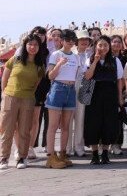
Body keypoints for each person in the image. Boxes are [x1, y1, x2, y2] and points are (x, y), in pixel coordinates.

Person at [0, 34, 45, 170]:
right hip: (10, 96)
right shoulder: (16, 59)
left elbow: (36, 84)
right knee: (6, 128)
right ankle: (3, 158)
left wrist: (28, 94)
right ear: (25, 45)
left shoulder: (39, 65)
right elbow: (5, 77)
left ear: (39, 47)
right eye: (30, 44)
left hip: (28, 99)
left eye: (35, 45)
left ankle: (22, 157)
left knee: (25, 129)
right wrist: (4, 93)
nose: (32, 47)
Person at [84, 35, 124, 165]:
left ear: (109, 47)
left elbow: (119, 81)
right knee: (93, 123)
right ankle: (95, 154)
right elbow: (88, 76)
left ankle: (105, 153)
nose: (102, 48)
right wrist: (95, 62)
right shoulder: (89, 59)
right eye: (100, 45)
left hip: (110, 94)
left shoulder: (115, 60)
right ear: (96, 46)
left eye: (105, 45)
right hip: (94, 94)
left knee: (108, 123)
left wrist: (119, 97)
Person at [45, 29, 80, 168]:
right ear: (62, 40)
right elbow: (50, 76)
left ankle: (63, 154)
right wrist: (60, 64)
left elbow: (76, 74)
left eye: (72, 39)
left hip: (71, 90)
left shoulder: (76, 57)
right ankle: (50, 156)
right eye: (67, 39)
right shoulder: (56, 54)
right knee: (53, 125)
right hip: (58, 88)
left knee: (66, 126)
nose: (70, 42)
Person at [66, 30, 92, 157]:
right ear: (77, 41)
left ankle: (79, 147)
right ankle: (67, 148)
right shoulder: (71, 54)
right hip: (71, 86)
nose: (84, 42)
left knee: (81, 118)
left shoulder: (90, 55)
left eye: (86, 40)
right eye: (82, 40)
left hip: (85, 87)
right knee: (68, 118)